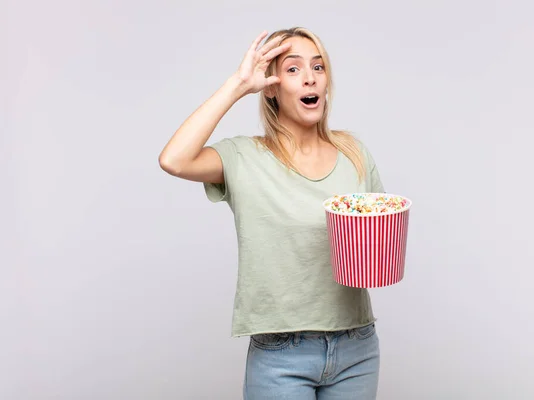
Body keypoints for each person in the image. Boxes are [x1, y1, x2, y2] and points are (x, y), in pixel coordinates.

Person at [159, 27, 385, 400]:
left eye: (318, 66)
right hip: (282, 355)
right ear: (271, 87)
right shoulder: (244, 157)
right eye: (293, 69)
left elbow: (376, 238)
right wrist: (236, 85)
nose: (310, 76)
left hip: (357, 346)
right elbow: (173, 159)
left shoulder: (354, 154)